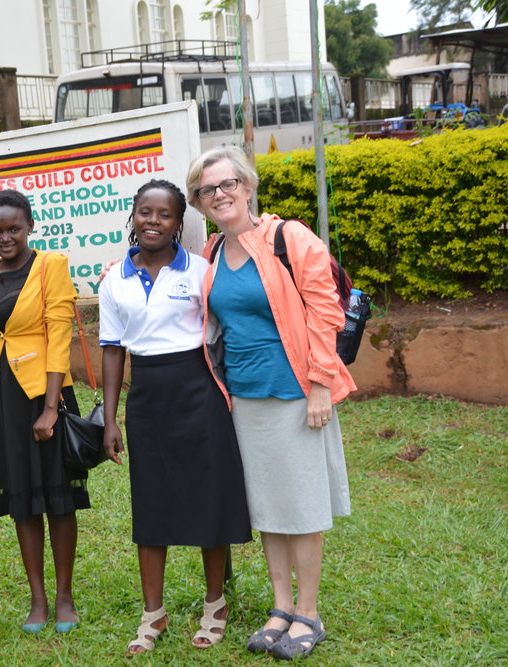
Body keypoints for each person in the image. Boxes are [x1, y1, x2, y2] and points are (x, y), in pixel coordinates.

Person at [187, 146, 354, 661]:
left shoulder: (289, 237)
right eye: (207, 190)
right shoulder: (212, 252)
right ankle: (280, 607)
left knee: (302, 506)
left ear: (248, 184)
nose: (220, 195)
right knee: (269, 507)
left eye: (228, 183)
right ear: (199, 202)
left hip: (296, 392)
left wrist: (322, 384)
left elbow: (327, 309)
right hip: (243, 397)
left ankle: (308, 613)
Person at [98, 179, 252, 655]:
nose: (153, 221)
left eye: (164, 215)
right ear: (133, 216)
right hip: (147, 399)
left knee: (208, 498)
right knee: (152, 504)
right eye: (145, 212)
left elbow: (227, 328)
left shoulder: (202, 271)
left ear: (179, 223)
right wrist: (110, 417)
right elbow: (111, 349)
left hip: (198, 392)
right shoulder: (114, 279)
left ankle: (215, 605)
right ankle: (153, 615)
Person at [0, 189, 87, 634]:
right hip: (0, 399)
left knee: (57, 497)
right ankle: (37, 598)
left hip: (45, 394)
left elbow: (60, 336)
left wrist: (51, 408)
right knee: (21, 499)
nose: (5, 237)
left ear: (30, 226)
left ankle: (64, 597)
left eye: (14, 228)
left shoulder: (50, 267)